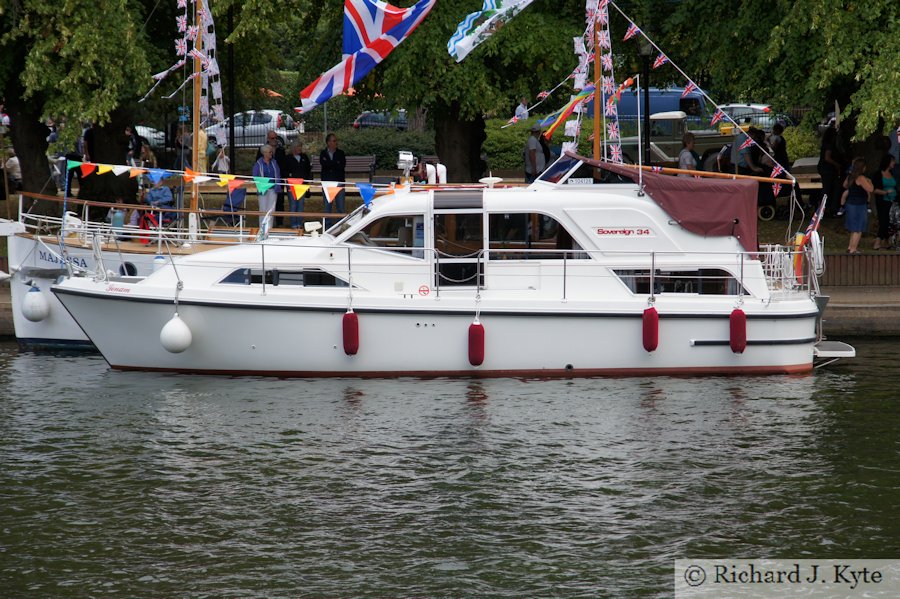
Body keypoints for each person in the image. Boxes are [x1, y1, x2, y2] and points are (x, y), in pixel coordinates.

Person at [841, 157, 874, 254]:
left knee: (853, 228)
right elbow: (870, 189)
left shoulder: (850, 176)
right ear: (862, 167)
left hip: (850, 203)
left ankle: (850, 247)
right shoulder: (861, 178)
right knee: (858, 228)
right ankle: (853, 249)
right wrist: (870, 182)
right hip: (859, 205)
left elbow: (844, 185)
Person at [257, 131, 287, 225]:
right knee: (263, 206)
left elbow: (282, 168)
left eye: (276, 138)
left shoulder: (280, 151)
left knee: (277, 203)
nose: (274, 140)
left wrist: (280, 181)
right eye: (272, 138)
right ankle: (264, 224)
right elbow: (257, 171)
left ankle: (277, 222)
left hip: (277, 183)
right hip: (264, 185)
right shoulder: (260, 157)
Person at [284, 141, 312, 229]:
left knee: (301, 204)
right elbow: (284, 171)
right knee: (293, 204)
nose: (300, 148)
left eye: (300, 146)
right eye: (298, 147)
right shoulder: (288, 158)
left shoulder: (304, 157)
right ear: (293, 148)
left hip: (302, 185)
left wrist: (307, 180)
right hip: (291, 185)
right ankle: (293, 224)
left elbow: (308, 169)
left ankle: (299, 223)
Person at [872, 154, 897, 250]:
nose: (894, 163)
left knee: (891, 221)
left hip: (893, 201)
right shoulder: (878, 174)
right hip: (883, 201)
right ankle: (877, 242)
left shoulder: (892, 173)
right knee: (884, 221)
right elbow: (874, 188)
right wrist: (885, 192)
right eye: (892, 161)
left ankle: (886, 241)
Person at [817, 125, 843, 215]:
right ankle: (827, 207)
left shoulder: (825, 144)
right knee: (828, 189)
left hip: (825, 168)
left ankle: (828, 207)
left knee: (830, 188)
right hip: (827, 169)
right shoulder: (829, 145)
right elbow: (827, 158)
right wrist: (837, 164)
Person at [319, 133, 347, 217]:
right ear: (328, 142)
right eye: (332, 141)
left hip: (339, 182)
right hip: (327, 183)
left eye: (335, 141)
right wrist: (335, 163)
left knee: (341, 207)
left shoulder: (341, 153)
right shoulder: (323, 153)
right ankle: (327, 227)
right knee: (327, 207)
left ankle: (340, 226)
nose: (334, 143)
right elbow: (324, 164)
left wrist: (330, 163)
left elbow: (341, 165)